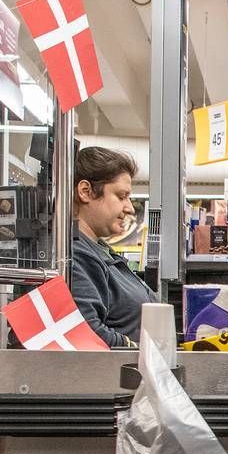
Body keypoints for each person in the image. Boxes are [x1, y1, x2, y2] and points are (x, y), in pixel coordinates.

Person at [69, 146, 155, 348]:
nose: (130, 208)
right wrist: (139, 350)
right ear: (86, 192)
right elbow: (88, 333)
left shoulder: (99, 249)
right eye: (121, 196)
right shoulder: (76, 254)